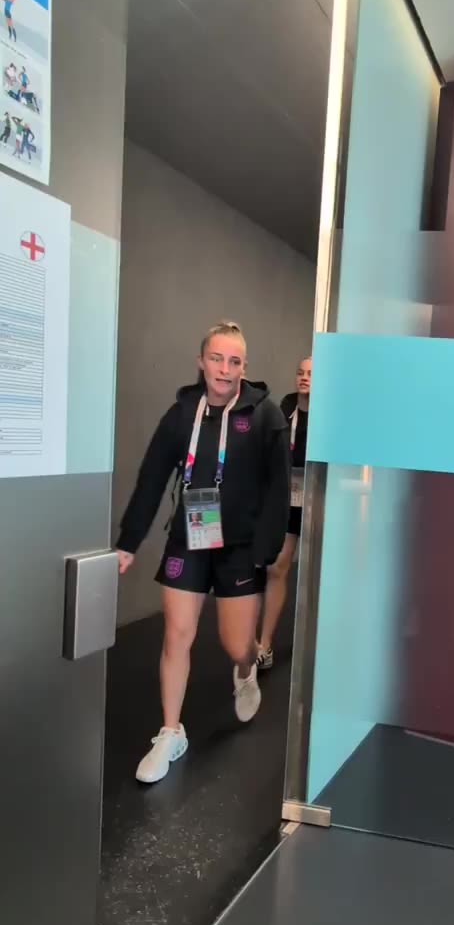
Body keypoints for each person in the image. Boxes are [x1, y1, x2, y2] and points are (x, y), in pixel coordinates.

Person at [115, 321, 290, 784]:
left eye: (234, 361)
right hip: (190, 535)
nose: (225, 369)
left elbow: (278, 488)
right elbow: (152, 477)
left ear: (244, 367)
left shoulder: (266, 416)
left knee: (237, 645)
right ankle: (171, 732)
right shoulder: (181, 413)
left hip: (240, 546)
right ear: (201, 361)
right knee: (177, 634)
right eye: (217, 358)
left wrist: (267, 547)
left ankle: (245, 670)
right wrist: (129, 541)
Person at [256, 357, 311, 671]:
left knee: (321, 574)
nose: (304, 378)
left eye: (311, 374)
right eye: (300, 373)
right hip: (291, 497)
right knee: (277, 567)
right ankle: (264, 645)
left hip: (321, 500)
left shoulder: (330, 413)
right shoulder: (285, 409)